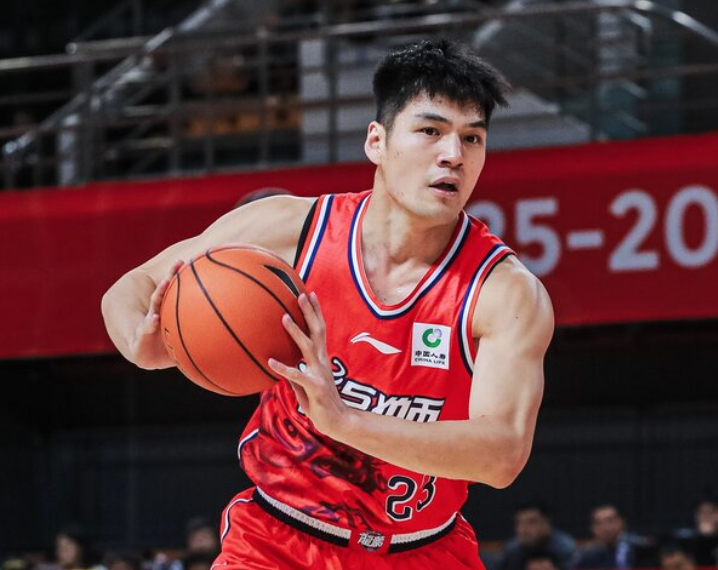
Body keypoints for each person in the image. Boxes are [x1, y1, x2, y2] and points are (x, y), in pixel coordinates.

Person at [102, 38, 553, 570]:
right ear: (377, 142)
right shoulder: (291, 230)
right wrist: (139, 344)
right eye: (431, 131)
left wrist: (344, 420)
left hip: (422, 550)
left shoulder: (504, 291)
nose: (453, 154)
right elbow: (131, 286)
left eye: (472, 138)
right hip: (277, 541)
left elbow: (502, 454)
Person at [497, 504, 577, 570]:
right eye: (519, 523)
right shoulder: (512, 549)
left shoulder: (564, 547)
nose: (523, 529)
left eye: (531, 522)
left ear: (546, 523)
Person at [576, 504, 655, 570]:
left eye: (610, 520)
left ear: (621, 523)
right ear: (593, 529)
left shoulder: (640, 551)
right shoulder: (586, 558)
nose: (606, 527)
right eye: (599, 523)